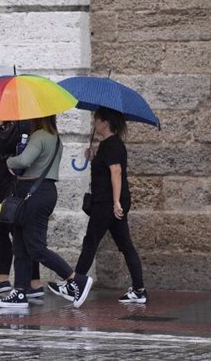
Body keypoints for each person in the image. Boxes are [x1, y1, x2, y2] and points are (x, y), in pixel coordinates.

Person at [48, 107, 147, 304]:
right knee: (125, 246)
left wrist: (116, 201)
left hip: (106, 203)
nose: (94, 123)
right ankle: (139, 289)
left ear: (105, 122)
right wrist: (94, 158)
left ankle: (75, 284)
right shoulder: (110, 145)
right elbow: (107, 169)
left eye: (96, 120)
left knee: (91, 242)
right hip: (110, 203)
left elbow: (116, 172)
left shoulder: (111, 145)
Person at [0, 115, 93, 310]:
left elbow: (24, 160)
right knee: (20, 245)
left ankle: (76, 280)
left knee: (36, 247)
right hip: (42, 192)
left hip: (34, 193)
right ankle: (20, 291)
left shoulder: (39, 136)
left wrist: (8, 161)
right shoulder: (56, 138)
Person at [0, 121, 44, 299]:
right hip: (0, 187)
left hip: (13, 186)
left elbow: (19, 151)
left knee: (18, 233)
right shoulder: (0, 129)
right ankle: (5, 279)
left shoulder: (21, 127)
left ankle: (34, 282)